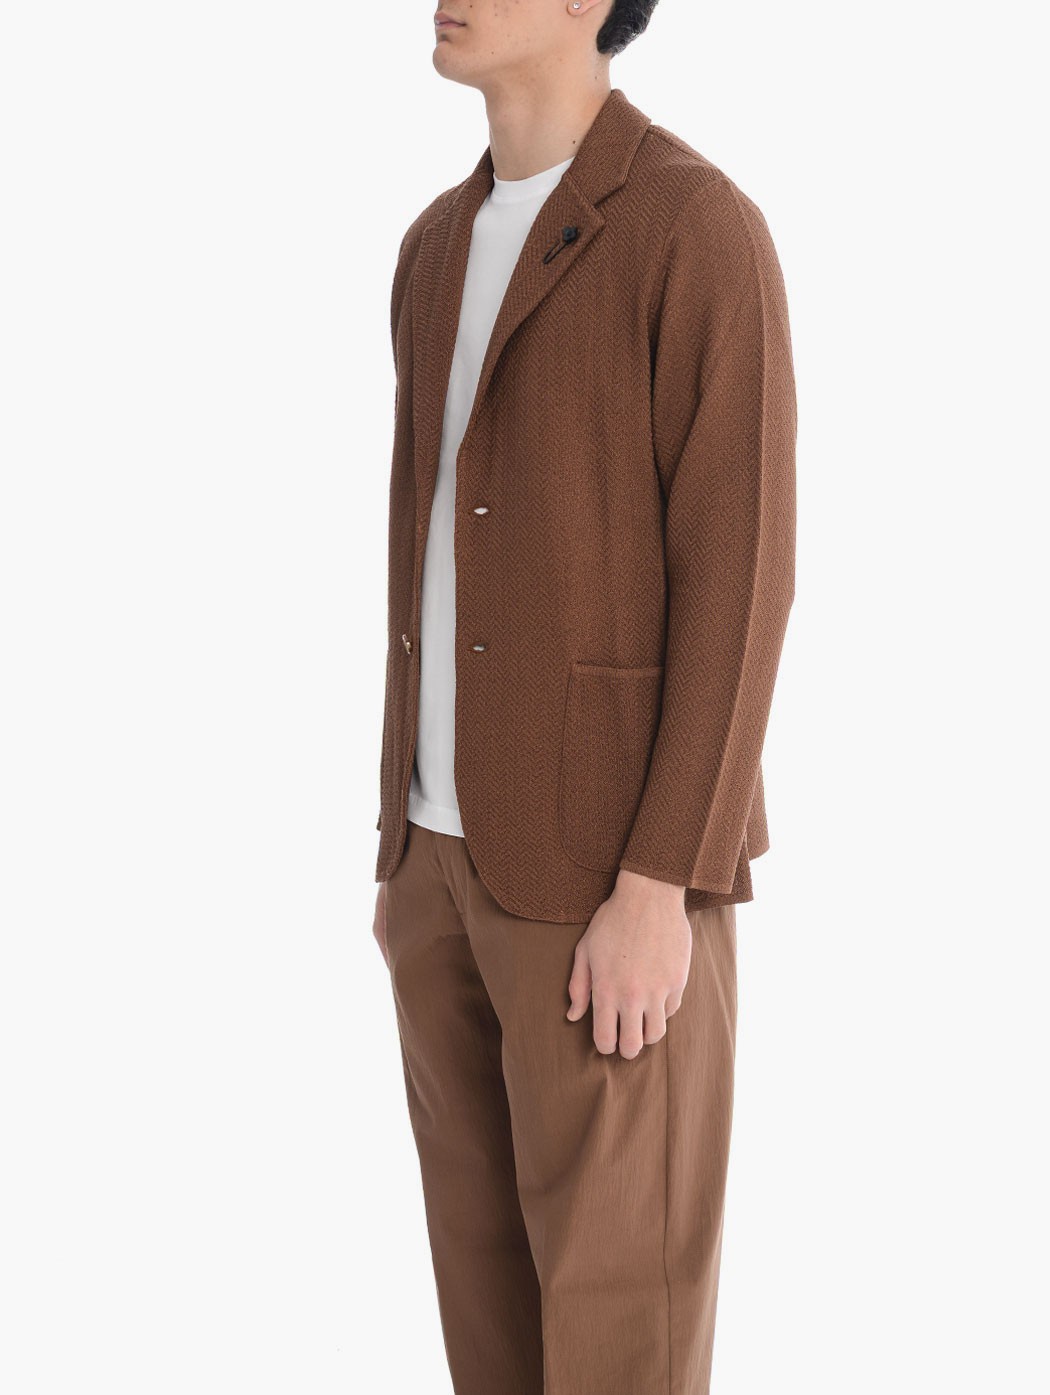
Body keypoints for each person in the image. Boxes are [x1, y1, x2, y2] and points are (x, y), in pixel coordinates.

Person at [371, 3, 796, 1390]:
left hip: (606, 883)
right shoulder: (433, 248)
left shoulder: (693, 229)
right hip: (440, 871)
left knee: (623, 1341)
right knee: (488, 1339)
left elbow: (741, 581)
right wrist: (400, 853)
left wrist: (660, 881)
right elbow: (429, 545)